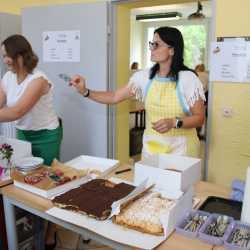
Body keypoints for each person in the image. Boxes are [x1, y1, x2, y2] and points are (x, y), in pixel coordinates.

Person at [70, 26, 205, 158]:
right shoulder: (144, 77)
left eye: (157, 44)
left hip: (181, 149)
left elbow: (199, 118)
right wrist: (85, 91)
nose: (151, 48)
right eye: (151, 44)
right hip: (152, 147)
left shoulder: (188, 79)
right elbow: (114, 97)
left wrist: (175, 123)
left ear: (172, 50)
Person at [0, 34, 62, 249]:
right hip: (24, 134)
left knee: (49, 183)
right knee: (26, 181)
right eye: (3, 56)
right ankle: (32, 225)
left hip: (46, 135)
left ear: (20, 55)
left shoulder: (38, 80)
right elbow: (0, 103)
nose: (5, 60)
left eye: (7, 56)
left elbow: (18, 110)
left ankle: (52, 230)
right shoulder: (8, 77)